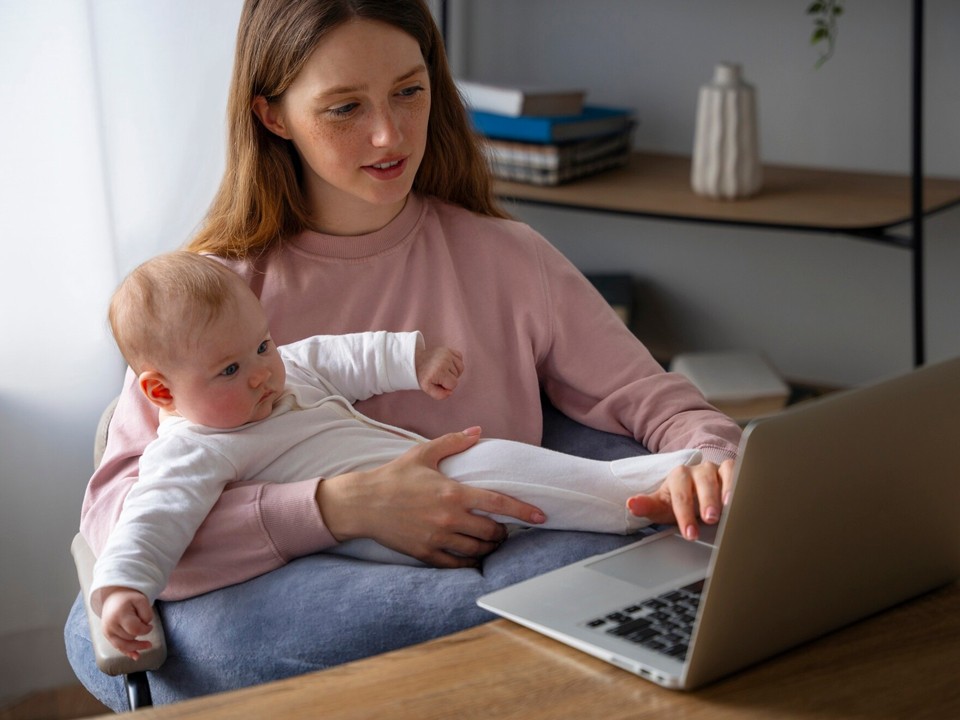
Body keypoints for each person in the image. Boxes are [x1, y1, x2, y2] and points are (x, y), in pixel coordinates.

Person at [68, 0, 741, 708]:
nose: (389, 134)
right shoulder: (214, 301)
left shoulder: (508, 258)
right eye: (343, 108)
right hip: (332, 613)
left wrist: (711, 461)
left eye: (409, 91)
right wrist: (337, 508)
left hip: (506, 560)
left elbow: (654, 398)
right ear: (273, 117)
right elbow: (121, 523)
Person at [95, 251, 703, 659]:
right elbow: (151, 516)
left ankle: (666, 486)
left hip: (414, 485)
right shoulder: (190, 448)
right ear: (160, 391)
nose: (261, 374)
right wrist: (123, 588)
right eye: (230, 369)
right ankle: (646, 492)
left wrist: (413, 361)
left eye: (261, 346)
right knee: (490, 465)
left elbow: (343, 356)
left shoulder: (284, 373)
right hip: (378, 533)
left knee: (499, 474)